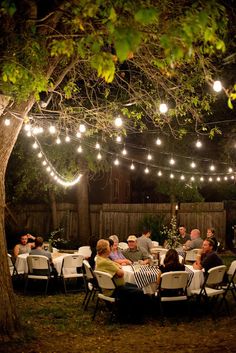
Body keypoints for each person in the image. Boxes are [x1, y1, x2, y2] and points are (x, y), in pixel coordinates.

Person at [95, 239, 148, 322]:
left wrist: (116, 266)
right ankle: (136, 318)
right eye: (109, 246)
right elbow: (121, 273)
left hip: (113, 287)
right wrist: (117, 267)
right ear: (106, 249)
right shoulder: (106, 262)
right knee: (139, 291)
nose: (111, 248)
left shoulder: (100, 259)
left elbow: (116, 265)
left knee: (138, 286)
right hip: (114, 290)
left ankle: (128, 313)